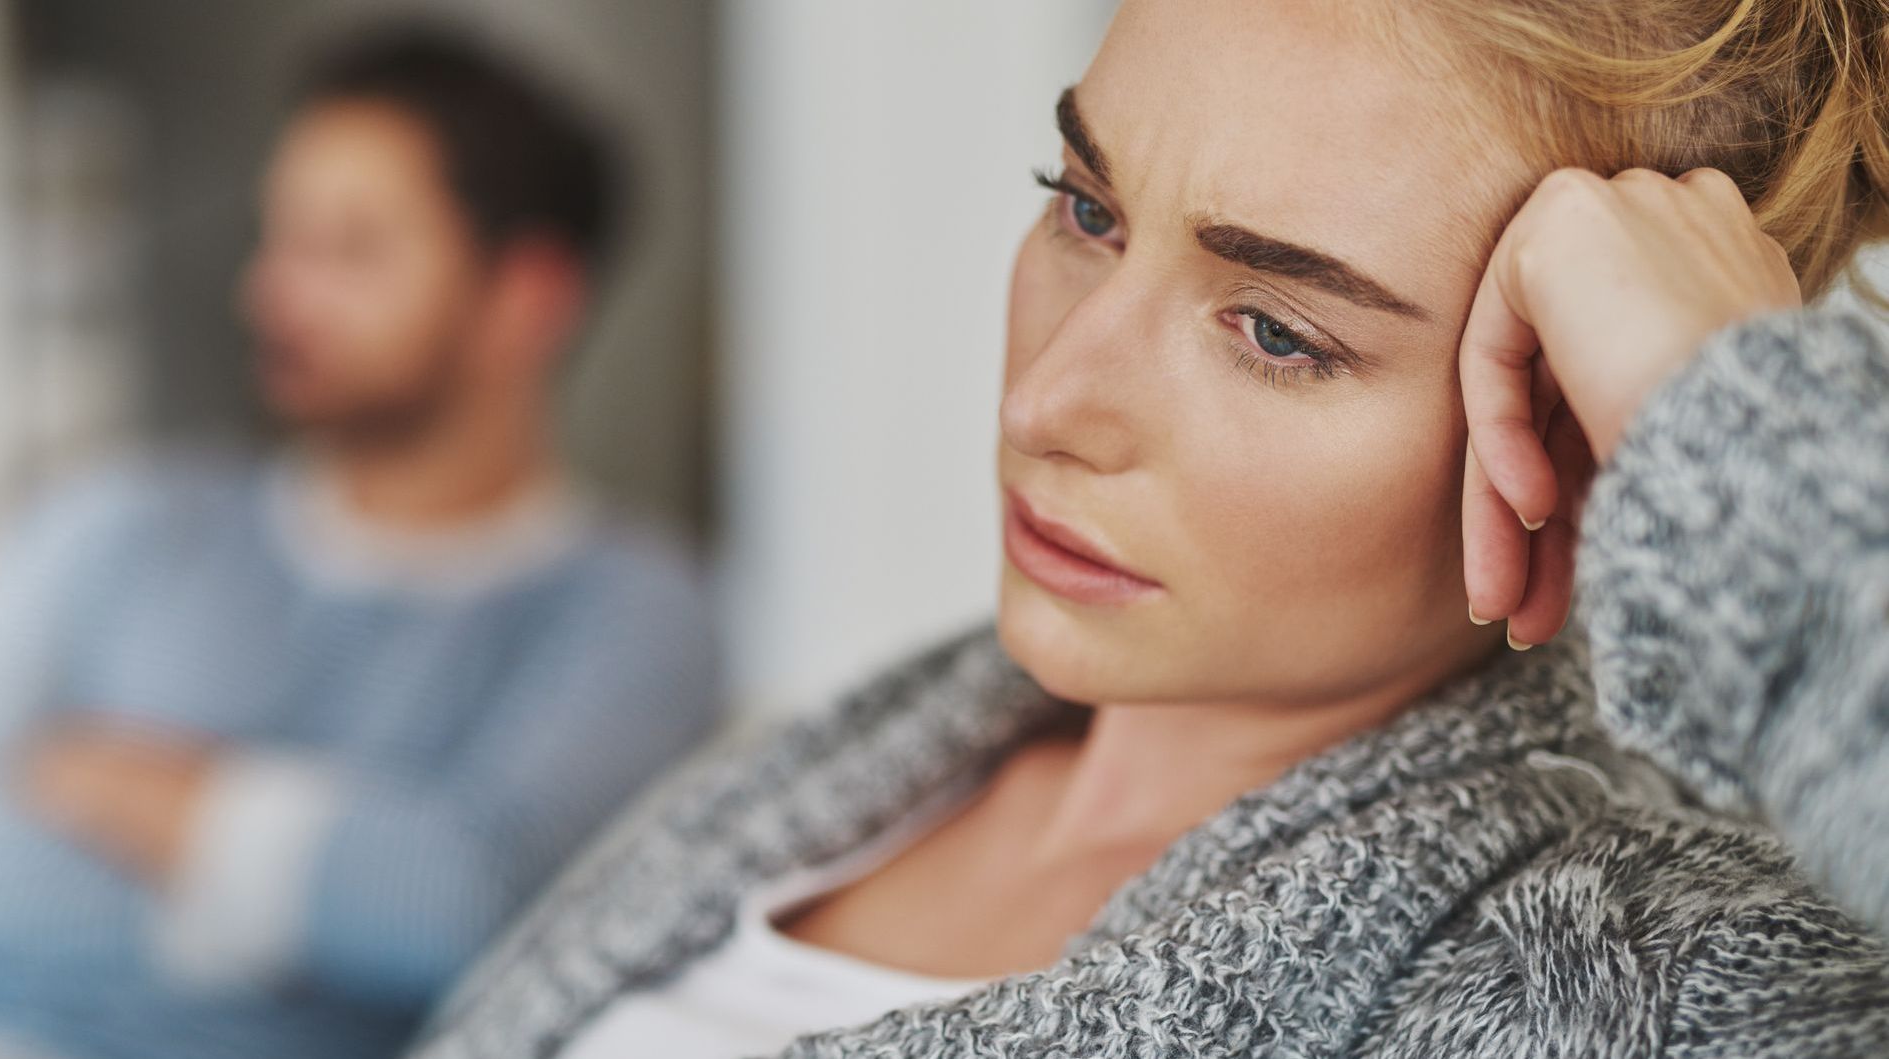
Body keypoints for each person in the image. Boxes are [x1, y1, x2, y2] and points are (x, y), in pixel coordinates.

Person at [413, 1, 1889, 1056]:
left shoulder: (1622, 973)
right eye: (1085, 208)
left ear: (1568, 409)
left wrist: (1730, 414)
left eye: (1273, 329)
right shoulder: (883, 759)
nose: (1046, 398)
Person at [0, 24, 722, 1059]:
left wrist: (136, 792)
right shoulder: (117, 525)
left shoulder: (635, 612)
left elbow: (481, 924)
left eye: (348, 250)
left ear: (528, 298)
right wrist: (316, 930)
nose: (273, 293)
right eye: (280, 239)